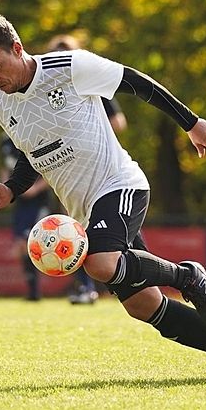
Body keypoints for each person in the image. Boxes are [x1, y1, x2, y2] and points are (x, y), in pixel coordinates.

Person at [0, 13, 206, 381]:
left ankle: (187, 275)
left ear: (17, 48)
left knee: (100, 263)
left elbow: (136, 82)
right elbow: (34, 153)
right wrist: (11, 189)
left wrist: (191, 123)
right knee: (144, 305)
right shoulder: (0, 103)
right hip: (85, 211)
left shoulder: (69, 66)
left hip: (119, 184)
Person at [46, 33, 129, 305]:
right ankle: (85, 287)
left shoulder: (89, 83)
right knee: (71, 232)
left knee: (116, 239)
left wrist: (90, 127)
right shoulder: (47, 91)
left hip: (104, 171)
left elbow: (119, 122)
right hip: (67, 173)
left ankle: (136, 278)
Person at [1, 134, 51, 301]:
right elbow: (4, 168)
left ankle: (82, 286)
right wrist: (6, 188)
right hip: (20, 201)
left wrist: (35, 189)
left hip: (39, 201)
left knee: (32, 242)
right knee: (21, 246)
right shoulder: (5, 142)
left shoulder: (33, 133)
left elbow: (52, 168)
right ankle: (33, 292)